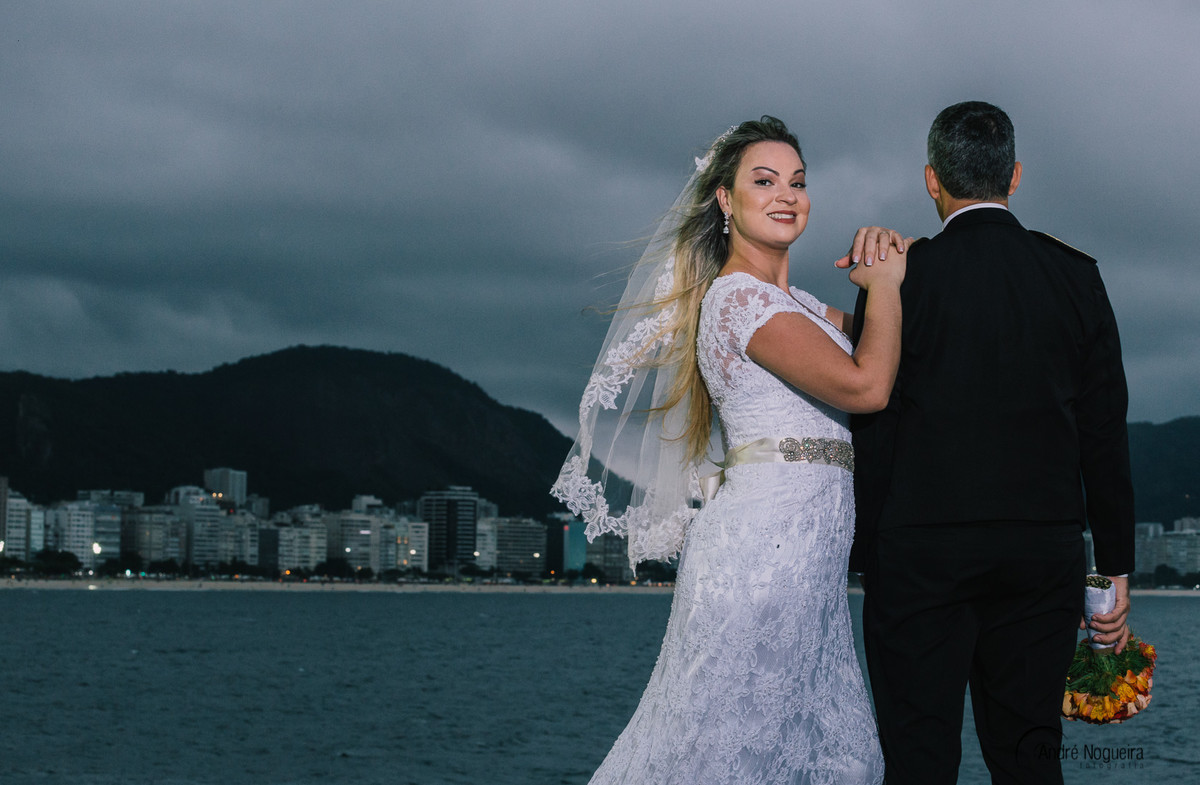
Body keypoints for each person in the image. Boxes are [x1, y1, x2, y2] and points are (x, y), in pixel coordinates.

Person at [552, 116, 905, 784]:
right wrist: (885, 284)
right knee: (730, 751)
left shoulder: (799, 302)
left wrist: (893, 265)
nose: (787, 194)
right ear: (725, 199)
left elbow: (894, 346)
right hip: (757, 563)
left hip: (814, 569)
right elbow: (868, 384)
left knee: (837, 756)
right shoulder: (737, 299)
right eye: (764, 179)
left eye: (798, 181)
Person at [844, 101, 1136, 785]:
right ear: (1016, 175)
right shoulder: (1076, 275)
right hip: (1042, 555)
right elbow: (1104, 430)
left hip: (920, 557)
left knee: (918, 761)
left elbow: (874, 424)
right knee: (1030, 758)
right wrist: (1114, 569)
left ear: (931, 180)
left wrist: (864, 553)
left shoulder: (902, 277)